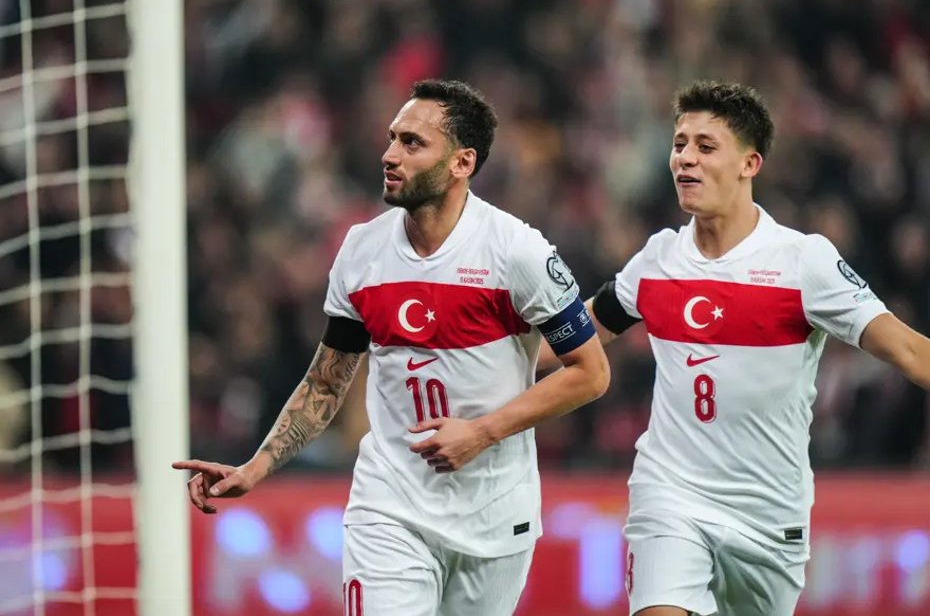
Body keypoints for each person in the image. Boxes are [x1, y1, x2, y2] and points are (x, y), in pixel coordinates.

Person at [173, 79, 610, 616]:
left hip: (495, 514)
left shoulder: (517, 252)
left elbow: (590, 373)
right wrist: (255, 467)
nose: (390, 155)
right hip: (389, 507)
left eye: (412, 143)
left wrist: (481, 432)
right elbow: (326, 382)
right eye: (392, 138)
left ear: (462, 162)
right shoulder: (362, 252)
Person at [538, 80, 930, 616]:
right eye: (680, 144)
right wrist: (477, 354)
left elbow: (908, 351)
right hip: (671, 494)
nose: (685, 158)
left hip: (769, 515)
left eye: (706, 146)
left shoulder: (803, 262)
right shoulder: (657, 259)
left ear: (750, 163)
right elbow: (579, 335)